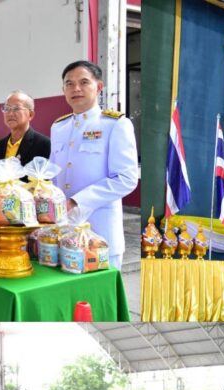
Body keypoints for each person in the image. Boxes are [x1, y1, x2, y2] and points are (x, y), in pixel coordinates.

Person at [49, 60, 139, 269]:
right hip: (63, 229)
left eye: (83, 82)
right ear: (63, 90)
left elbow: (126, 179)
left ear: (99, 87)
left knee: (99, 289)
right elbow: (53, 175)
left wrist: (77, 201)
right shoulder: (59, 127)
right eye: (69, 84)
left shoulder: (115, 124)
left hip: (100, 232)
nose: (76, 89)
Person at [0, 90, 50, 164]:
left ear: (30, 114)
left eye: (16, 109)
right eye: (7, 109)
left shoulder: (43, 145)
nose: (10, 114)